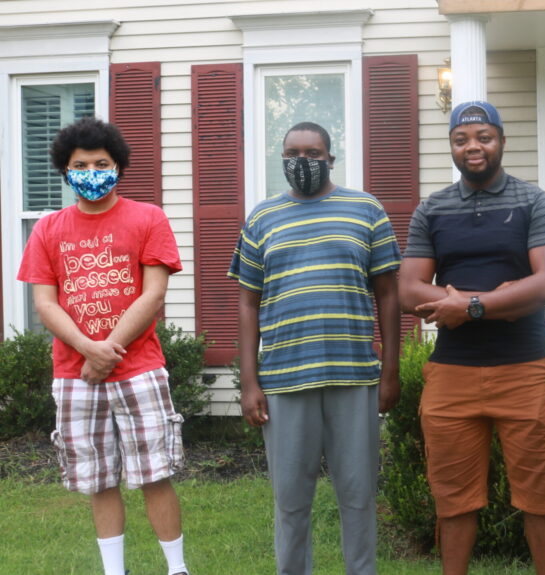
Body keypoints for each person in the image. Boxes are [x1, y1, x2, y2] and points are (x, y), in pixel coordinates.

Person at [398, 101, 545, 575]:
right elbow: (408, 290)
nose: (473, 147)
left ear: (502, 142)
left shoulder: (533, 201)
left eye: (484, 137)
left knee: (540, 495)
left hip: (525, 370)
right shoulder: (432, 208)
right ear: (452, 146)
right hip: (451, 374)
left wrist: (470, 306)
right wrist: (505, 300)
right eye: (461, 139)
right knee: (453, 498)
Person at [18, 117, 189, 575]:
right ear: (65, 170)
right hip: (74, 375)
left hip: (139, 368)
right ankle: (115, 571)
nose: (91, 172)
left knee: (154, 473)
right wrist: (86, 349)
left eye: (101, 164)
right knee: (98, 479)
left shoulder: (148, 218)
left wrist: (106, 350)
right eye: (80, 165)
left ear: (118, 167)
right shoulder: (48, 229)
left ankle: (177, 568)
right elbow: (44, 303)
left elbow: (153, 294)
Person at [229, 122, 401, 575]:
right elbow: (247, 303)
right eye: (293, 153)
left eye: (313, 153)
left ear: (331, 158)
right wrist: (249, 383)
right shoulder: (262, 218)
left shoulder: (366, 210)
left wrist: (390, 371)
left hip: (354, 376)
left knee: (358, 495)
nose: (302, 161)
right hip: (285, 379)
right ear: (282, 158)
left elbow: (388, 294)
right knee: (290, 500)